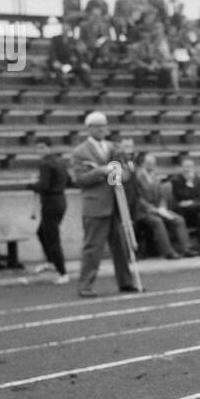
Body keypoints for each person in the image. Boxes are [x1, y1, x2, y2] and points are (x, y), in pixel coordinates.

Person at [70, 112, 142, 297]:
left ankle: (126, 281)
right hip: (96, 205)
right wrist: (101, 171)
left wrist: (118, 173)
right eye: (98, 126)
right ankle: (85, 285)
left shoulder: (114, 147)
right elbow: (80, 179)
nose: (102, 129)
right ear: (90, 128)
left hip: (116, 203)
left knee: (121, 247)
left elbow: (125, 174)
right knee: (93, 248)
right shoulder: (80, 152)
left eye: (104, 125)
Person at [133, 153, 200, 258]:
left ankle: (186, 248)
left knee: (178, 219)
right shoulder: (137, 177)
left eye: (152, 164)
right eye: (148, 163)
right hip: (144, 211)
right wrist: (152, 209)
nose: (150, 165)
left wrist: (162, 207)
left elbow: (161, 196)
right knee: (158, 221)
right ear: (143, 164)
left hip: (159, 208)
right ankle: (168, 252)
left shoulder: (156, 177)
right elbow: (138, 198)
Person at [30, 138, 71, 283]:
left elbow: (44, 186)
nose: (39, 151)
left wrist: (31, 185)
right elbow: (70, 181)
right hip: (61, 201)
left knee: (52, 237)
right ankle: (51, 261)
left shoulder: (45, 164)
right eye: (38, 148)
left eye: (42, 147)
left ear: (48, 148)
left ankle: (62, 272)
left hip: (50, 203)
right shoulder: (60, 161)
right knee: (42, 232)